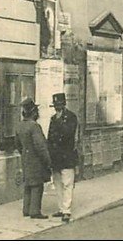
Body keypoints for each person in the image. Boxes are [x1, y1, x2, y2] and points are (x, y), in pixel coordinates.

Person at [16, 97, 51, 219]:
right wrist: (48, 161)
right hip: (36, 160)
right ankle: (34, 211)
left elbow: (18, 145)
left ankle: (26, 209)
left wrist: (25, 153)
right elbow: (41, 146)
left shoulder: (20, 126)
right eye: (36, 111)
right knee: (37, 185)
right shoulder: (34, 127)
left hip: (26, 159)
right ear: (34, 112)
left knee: (28, 185)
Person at [47, 93, 79, 223]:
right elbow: (50, 137)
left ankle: (67, 210)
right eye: (55, 105)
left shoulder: (71, 117)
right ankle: (61, 208)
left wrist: (60, 120)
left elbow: (68, 133)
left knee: (67, 183)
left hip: (67, 156)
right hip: (56, 157)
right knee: (58, 184)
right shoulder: (53, 119)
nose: (57, 108)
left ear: (64, 104)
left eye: (59, 105)